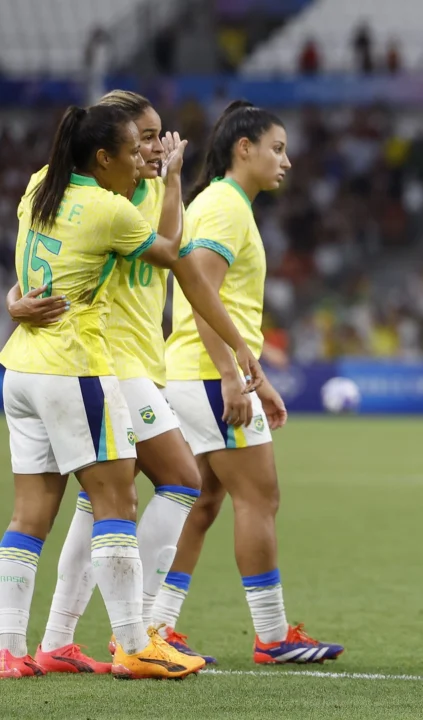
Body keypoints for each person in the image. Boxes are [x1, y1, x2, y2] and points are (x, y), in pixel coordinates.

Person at [0, 104, 259, 680]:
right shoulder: (110, 205)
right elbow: (178, 259)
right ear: (103, 153)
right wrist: (237, 345)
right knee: (122, 499)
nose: (149, 151)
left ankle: (15, 647)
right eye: (138, 141)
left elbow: (39, 261)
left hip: (22, 368)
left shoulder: (42, 184)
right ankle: (134, 639)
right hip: (86, 365)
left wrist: (15, 302)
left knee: (35, 514)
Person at [151, 100, 344, 665]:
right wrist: (234, 377)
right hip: (211, 377)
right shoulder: (226, 208)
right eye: (277, 148)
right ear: (245, 148)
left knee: (204, 499)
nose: (286, 160)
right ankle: (273, 636)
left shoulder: (220, 204)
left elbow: (211, 296)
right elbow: (199, 291)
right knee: (259, 497)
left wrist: (253, 378)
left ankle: (158, 625)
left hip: (199, 373)